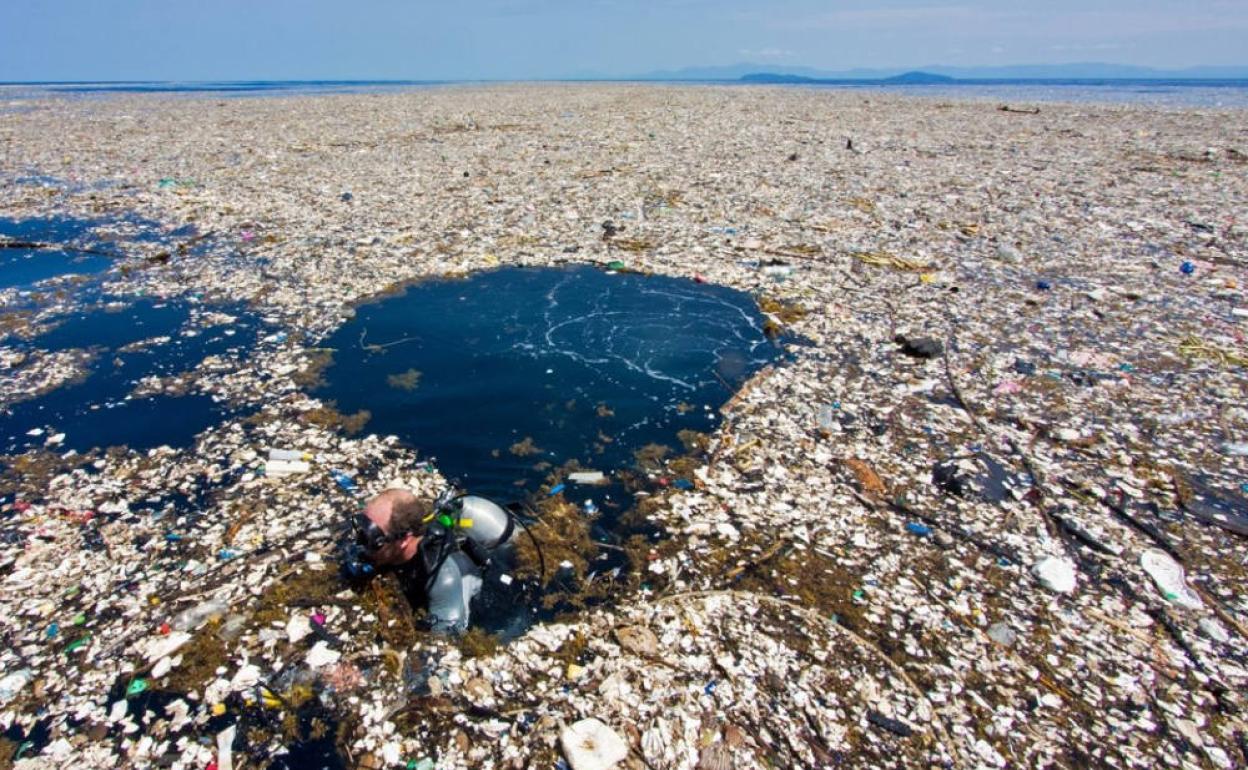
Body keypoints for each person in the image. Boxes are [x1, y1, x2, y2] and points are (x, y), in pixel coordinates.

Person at [348, 486, 518, 633]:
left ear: (404, 540)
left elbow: (448, 637)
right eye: (362, 530)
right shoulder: (393, 546)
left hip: (493, 610)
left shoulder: (441, 575)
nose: (360, 544)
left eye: (372, 539)